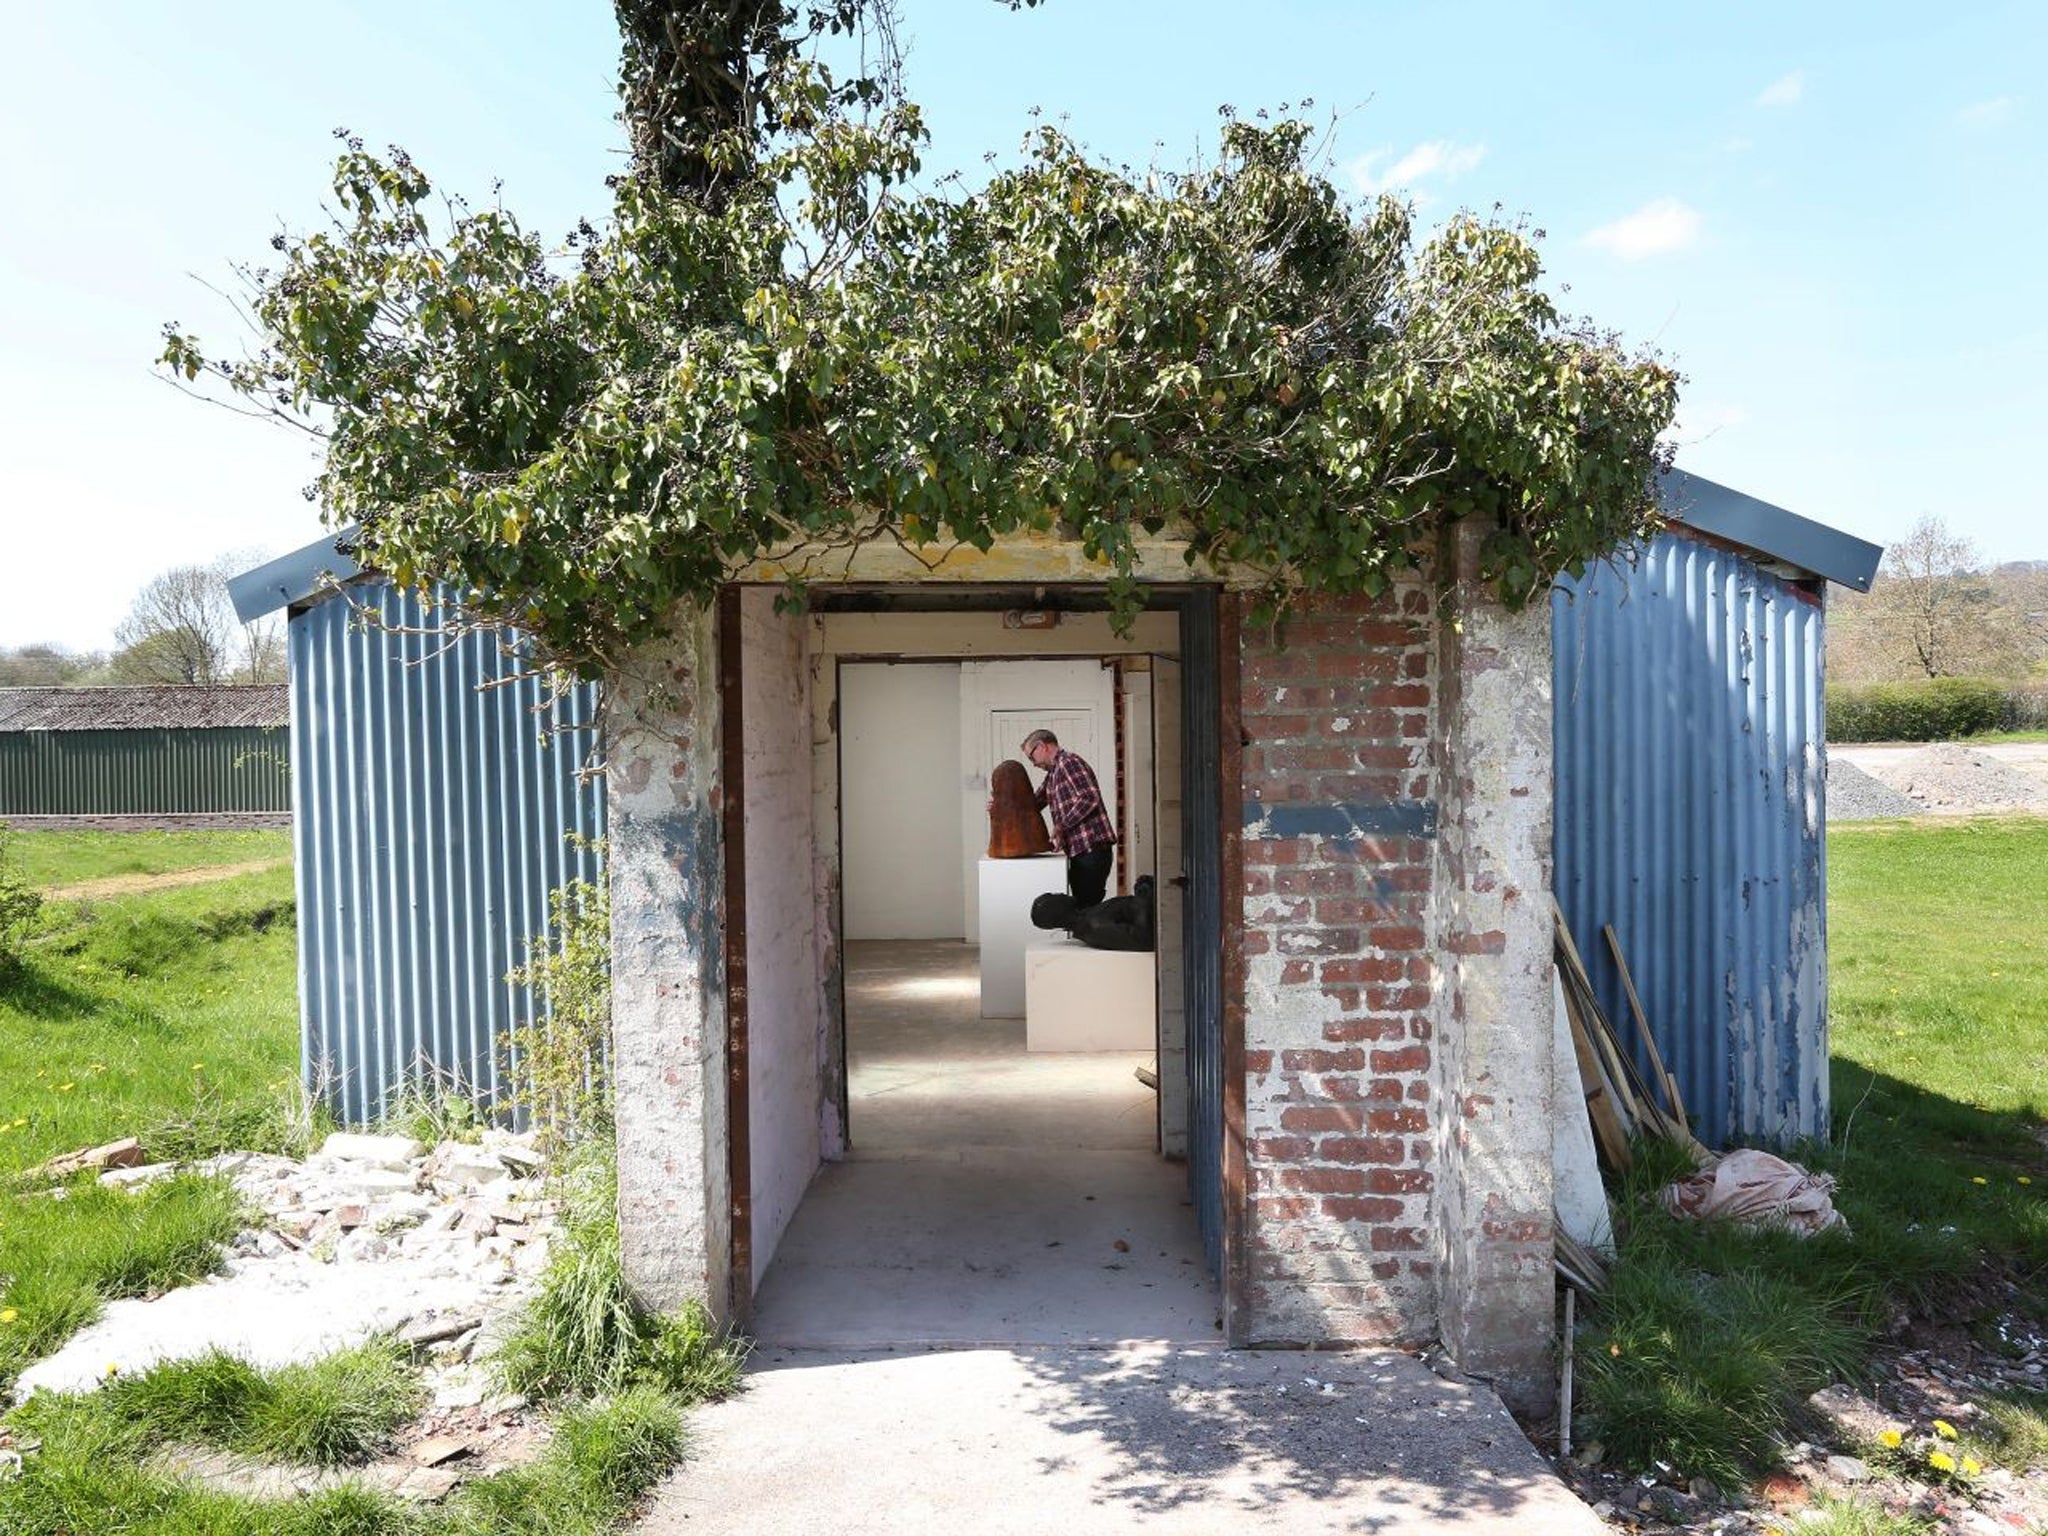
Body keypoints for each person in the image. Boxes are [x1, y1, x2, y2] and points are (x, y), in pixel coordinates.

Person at [1020, 728, 1116, 910]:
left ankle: (1092, 939)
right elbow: (1033, 803)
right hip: (1081, 852)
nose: (1033, 764)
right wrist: (1001, 805)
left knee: (1088, 909)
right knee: (1083, 907)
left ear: (1042, 746)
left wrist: (1061, 826)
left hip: (1092, 850)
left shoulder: (1069, 762)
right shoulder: (1053, 774)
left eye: (1032, 757)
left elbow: (1089, 798)